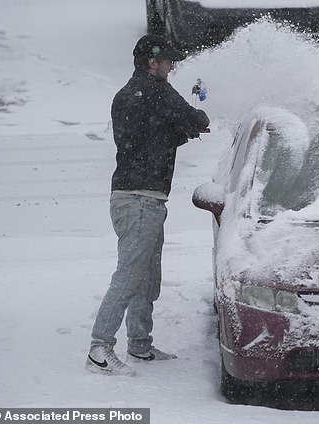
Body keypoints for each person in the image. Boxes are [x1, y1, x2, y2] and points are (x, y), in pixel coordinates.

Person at [85, 35, 210, 376]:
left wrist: (186, 129)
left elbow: (153, 137)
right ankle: (100, 348)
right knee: (128, 276)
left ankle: (140, 344)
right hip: (139, 200)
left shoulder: (130, 96)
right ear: (152, 62)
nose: (173, 66)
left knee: (147, 277)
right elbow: (190, 116)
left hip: (142, 197)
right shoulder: (154, 90)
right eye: (169, 61)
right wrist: (198, 118)